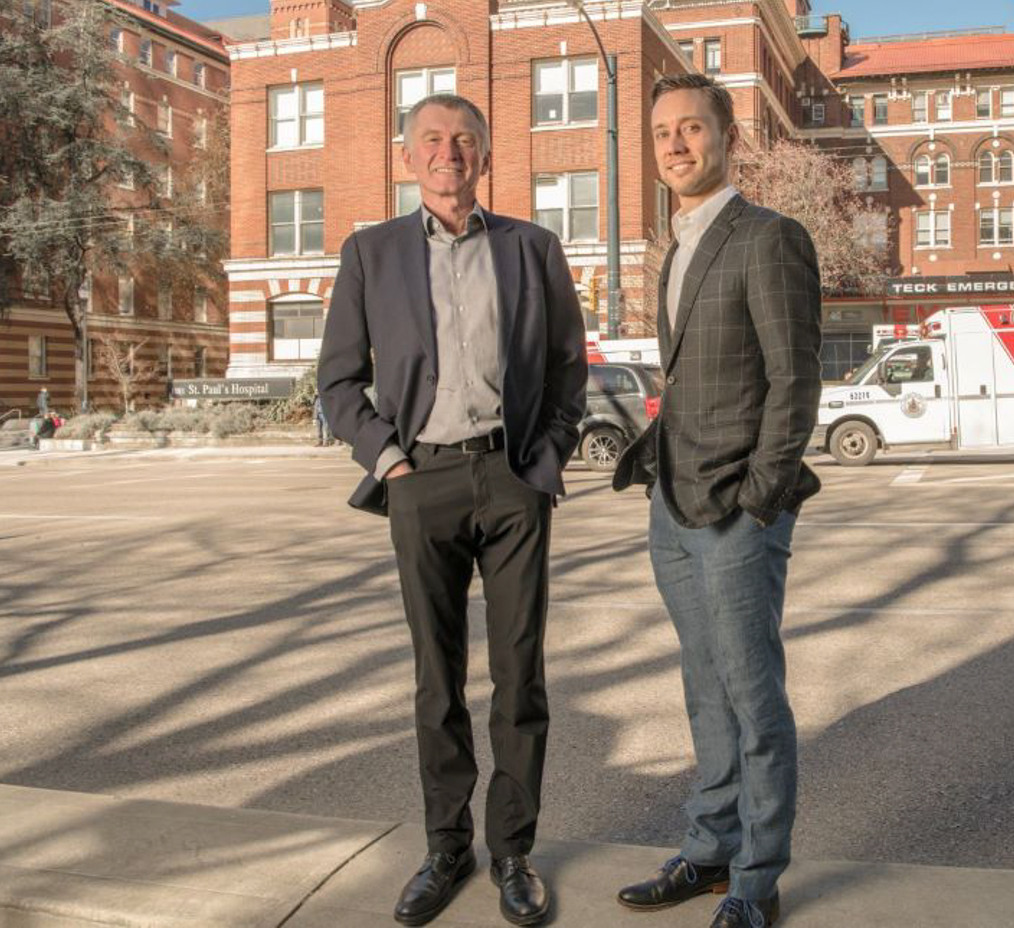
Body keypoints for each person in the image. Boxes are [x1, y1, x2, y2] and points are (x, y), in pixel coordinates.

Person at [317, 92, 587, 928]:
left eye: (464, 140)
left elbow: (571, 370)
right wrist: (389, 460)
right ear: (408, 157)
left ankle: (512, 852)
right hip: (419, 481)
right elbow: (336, 382)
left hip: (512, 481)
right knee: (438, 680)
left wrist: (543, 462)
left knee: (519, 677)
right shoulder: (371, 253)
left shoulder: (533, 248)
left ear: (485, 156)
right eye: (432, 140)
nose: (449, 153)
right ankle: (445, 847)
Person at [612, 74, 823, 928]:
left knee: (751, 695)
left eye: (691, 127)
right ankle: (709, 849)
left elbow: (794, 380)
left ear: (726, 136)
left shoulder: (768, 237)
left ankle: (755, 879)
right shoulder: (680, 243)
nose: (674, 144)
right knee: (704, 688)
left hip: (734, 510)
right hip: (673, 504)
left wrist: (759, 498)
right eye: (662, 131)